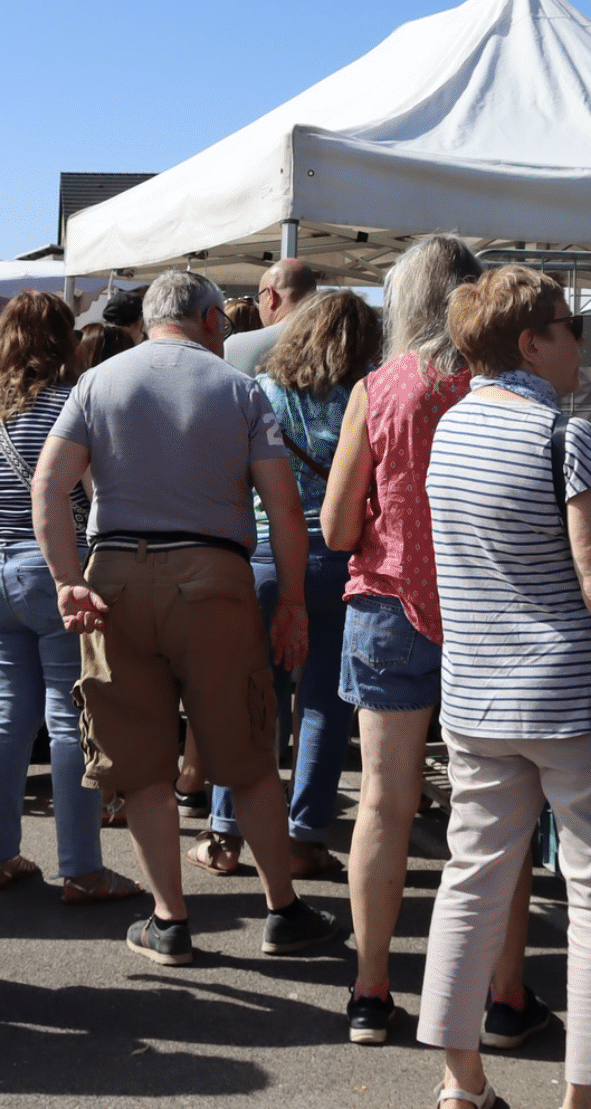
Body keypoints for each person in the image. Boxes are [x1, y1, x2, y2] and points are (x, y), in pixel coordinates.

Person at [32, 268, 338, 966]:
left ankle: (168, 920)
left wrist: (67, 580)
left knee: (142, 767)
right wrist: (292, 602)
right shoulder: (239, 388)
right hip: (213, 578)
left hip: (115, 577)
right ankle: (282, 910)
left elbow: (48, 485)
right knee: (248, 757)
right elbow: (284, 508)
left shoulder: (97, 383)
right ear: (209, 320)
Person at [415, 266, 591, 1109]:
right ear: (531, 343)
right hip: (577, 699)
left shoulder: (450, 428)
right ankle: (586, 1097)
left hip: (476, 695)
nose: (580, 343)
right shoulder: (564, 434)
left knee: (472, 878)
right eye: (570, 327)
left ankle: (460, 1082)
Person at [323, 234, 546, 1049]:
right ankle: (504, 994)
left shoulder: (378, 388)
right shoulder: (503, 390)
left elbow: (337, 526)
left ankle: (371, 991)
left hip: (388, 608)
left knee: (384, 804)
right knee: (500, 812)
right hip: (492, 616)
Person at [0, 292, 139, 903]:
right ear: (62, 337)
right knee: (69, 721)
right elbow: (97, 493)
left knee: (8, 716)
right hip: (55, 570)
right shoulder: (71, 402)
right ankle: (82, 869)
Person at [197, 292, 377, 883]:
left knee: (251, 696)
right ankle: (305, 837)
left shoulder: (262, 393)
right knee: (325, 702)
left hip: (266, 557)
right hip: (342, 559)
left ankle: (225, 834)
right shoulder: (366, 398)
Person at [222, 257, 316, 375]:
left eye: (259, 297)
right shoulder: (335, 337)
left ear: (271, 296)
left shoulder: (235, 347)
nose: (258, 304)